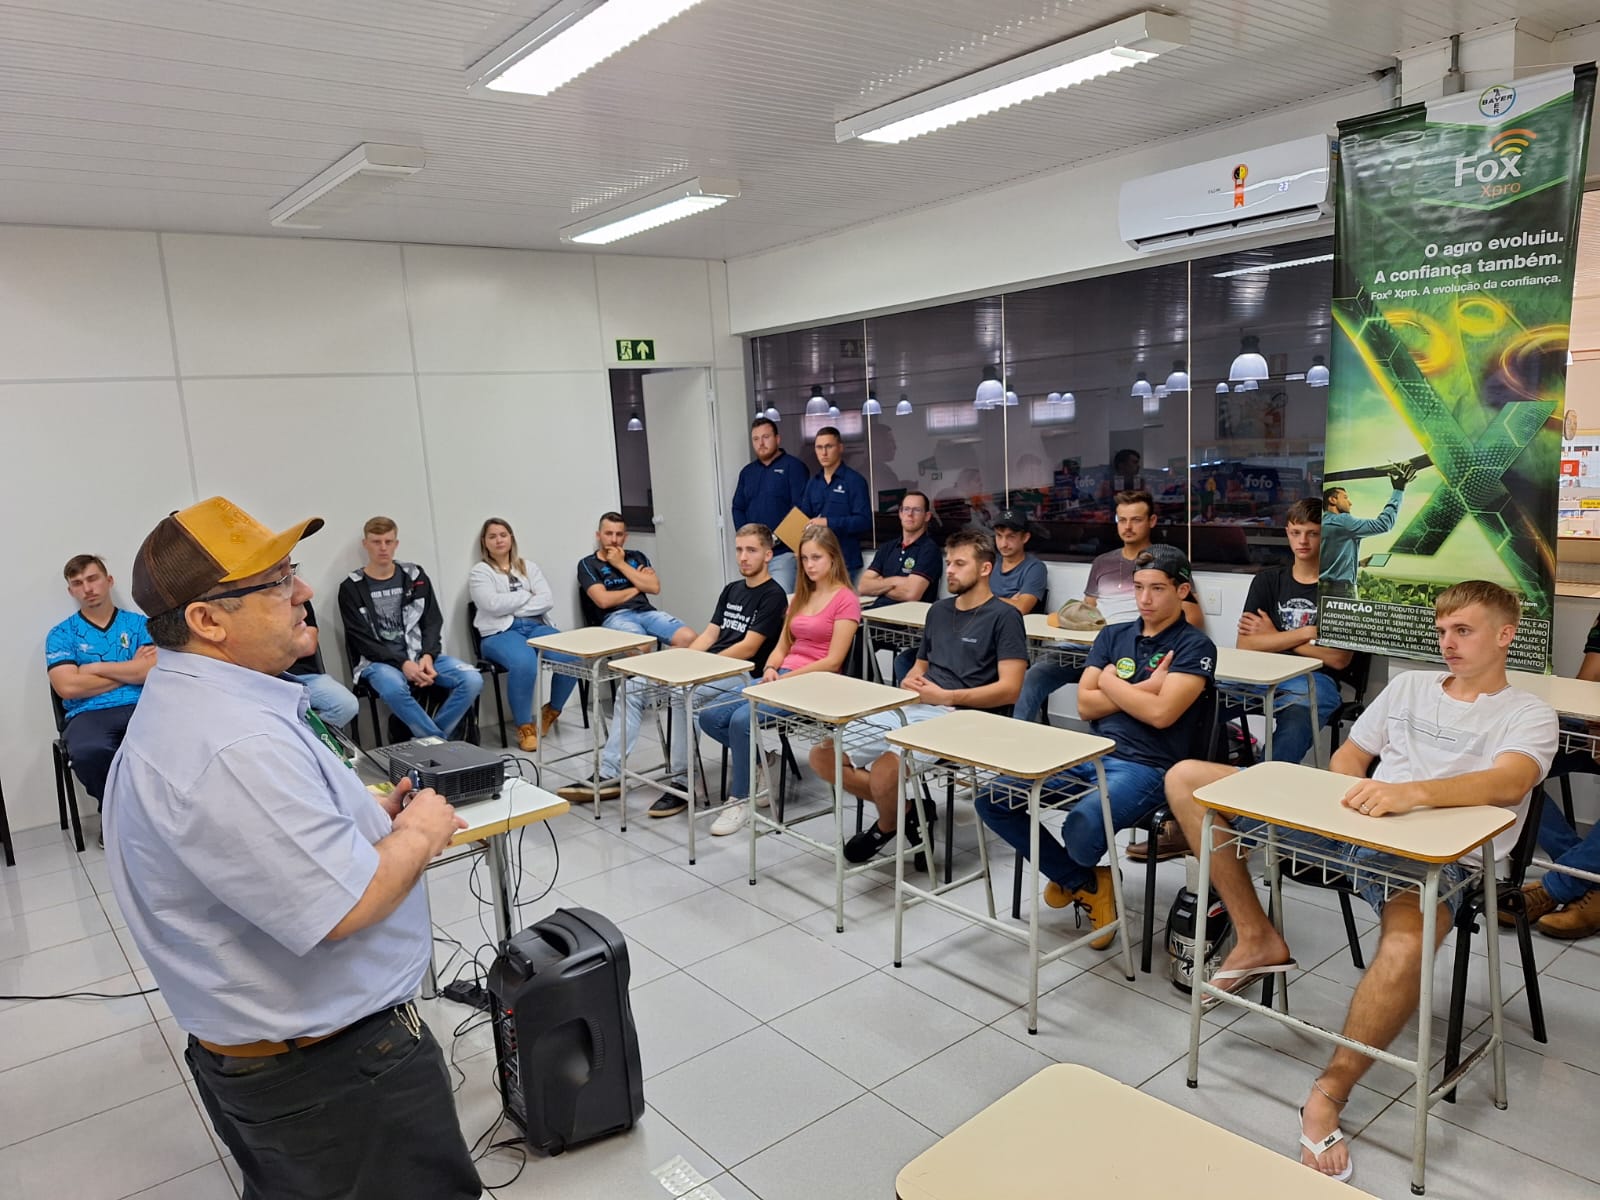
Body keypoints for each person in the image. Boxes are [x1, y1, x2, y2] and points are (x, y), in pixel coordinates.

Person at [104, 496, 481, 1200]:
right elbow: (346, 905)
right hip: (335, 1073)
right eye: (275, 583)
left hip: (290, 1062)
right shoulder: (231, 743)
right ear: (206, 620)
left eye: (292, 572)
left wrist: (366, 817)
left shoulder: (208, 708)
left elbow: (261, 845)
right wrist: (418, 832)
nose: (303, 592)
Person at [1164, 580, 1556, 1181]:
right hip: (1353, 820)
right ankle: (1256, 935)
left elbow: (1509, 782)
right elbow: (1350, 758)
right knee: (1189, 778)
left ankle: (1328, 1094)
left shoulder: (1528, 713)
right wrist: (1337, 796)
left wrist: (1408, 795)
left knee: (1406, 946)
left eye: (1463, 631)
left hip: (1434, 861)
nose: (1447, 643)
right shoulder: (1409, 686)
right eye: (1442, 629)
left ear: (1505, 636)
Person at [977, 545, 1215, 946]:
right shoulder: (1112, 634)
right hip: (1090, 753)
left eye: (1157, 588)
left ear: (1183, 590)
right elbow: (1085, 707)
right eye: (1139, 587)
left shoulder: (1194, 646)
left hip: (1151, 767)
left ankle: (1075, 877)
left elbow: (1161, 715)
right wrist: (1144, 688)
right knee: (995, 797)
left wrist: (1108, 681)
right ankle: (1086, 881)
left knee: (1082, 826)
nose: (1145, 599)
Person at [817, 527, 1027, 864]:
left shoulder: (1005, 617)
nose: (950, 571)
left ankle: (886, 826)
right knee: (824, 754)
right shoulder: (939, 611)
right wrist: (912, 681)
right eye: (949, 562)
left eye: (960, 563)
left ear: (985, 568)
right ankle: (909, 811)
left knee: (887, 770)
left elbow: (1010, 688)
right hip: (922, 703)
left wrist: (946, 696)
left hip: (963, 715)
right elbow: (921, 664)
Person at [702, 525, 860, 836]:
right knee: (708, 716)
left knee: (741, 721)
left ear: (833, 558)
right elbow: (783, 645)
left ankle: (740, 801)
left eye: (816, 557)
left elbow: (833, 661)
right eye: (804, 559)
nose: (809, 565)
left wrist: (786, 679)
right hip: (782, 676)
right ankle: (766, 764)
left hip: (816, 684)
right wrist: (773, 668)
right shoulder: (801, 596)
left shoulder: (846, 600)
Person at [642, 523, 794, 822]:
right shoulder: (731, 589)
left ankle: (684, 781)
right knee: (671, 688)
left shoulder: (772, 595)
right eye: (739, 550)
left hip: (745, 673)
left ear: (768, 555)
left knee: (686, 694)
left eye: (751, 550)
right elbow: (709, 635)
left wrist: (705, 668)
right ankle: (754, 762)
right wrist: (686, 660)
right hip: (717, 666)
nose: (743, 557)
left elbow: (750, 647)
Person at [1012, 490, 1202, 724]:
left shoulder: (1166, 561)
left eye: (1136, 519)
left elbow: (1193, 617)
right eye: (1122, 520)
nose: (1128, 526)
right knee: (1036, 673)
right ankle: (1017, 745)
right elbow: (1087, 611)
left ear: (1152, 521)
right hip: (1094, 648)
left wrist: (1157, 645)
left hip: (1139, 650)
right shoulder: (1102, 562)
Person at [1501, 608, 1600, 941]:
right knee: (1512, 760)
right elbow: (1587, 683)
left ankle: (1558, 886)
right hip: (1596, 730)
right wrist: (1595, 724)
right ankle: (1582, 873)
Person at [338, 516, 482, 742]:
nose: (383, 548)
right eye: (376, 542)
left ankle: (429, 739)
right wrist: (403, 664)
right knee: (394, 688)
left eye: (388, 541)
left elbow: (433, 621)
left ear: (396, 543)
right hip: (378, 663)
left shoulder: (415, 576)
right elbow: (361, 639)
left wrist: (427, 655)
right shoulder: (351, 587)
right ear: (365, 544)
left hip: (421, 656)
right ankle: (439, 743)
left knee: (472, 679)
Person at [1236, 497, 1354, 764]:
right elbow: (1245, 645)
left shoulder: (1341, 589)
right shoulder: (1267, 580)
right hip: (1261, 672)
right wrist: (1306, 633)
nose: (1303, 541)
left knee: (1297, 719)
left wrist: (1274, 635)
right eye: (1296, 532)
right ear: (1287, 533)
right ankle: (1206, 777)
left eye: (1313, 533)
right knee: (1202, 692)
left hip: (1314, 678)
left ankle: (1259, 786)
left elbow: (1338, 658)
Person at [46, 554, 155, 809]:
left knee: (173, 739)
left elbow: (151, 671)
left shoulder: (139, 624)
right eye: (77, 583)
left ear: (109, 581)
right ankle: (114, 813)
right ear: (71, 590)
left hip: (142, 704)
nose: (87, 588)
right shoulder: (61, 634)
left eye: (93, 579)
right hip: (88, 713)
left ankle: (156, 814)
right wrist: (130, 671)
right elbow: (67, 687)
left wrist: (94, 668)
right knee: (88, 752)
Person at [469, 517, 576, 752]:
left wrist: (513, 605)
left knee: (573, 655)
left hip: (536, 626)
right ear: (484, 542)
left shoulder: (528, 566)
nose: (498, 540)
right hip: (499, 633)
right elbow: (490, 604)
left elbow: (546, 599)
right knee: (524, 661)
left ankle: (551, 711)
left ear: (511, 538)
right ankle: (524, 726)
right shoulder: (481, 571)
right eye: (492, 536)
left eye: (503, 534)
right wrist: (527, 596)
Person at [577, 511, 696, 647]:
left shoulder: (637, 557)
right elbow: (603, 600)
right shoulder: (588, 564)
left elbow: (654, 588)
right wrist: (638, 586)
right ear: (598, 536)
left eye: (619, 534)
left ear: (625, 537)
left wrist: (620, 564)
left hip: (646, 611)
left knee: (689, 638)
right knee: (641, 645)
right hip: (615, 617)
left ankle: (663, 667)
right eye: (608, 534)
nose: (614, 540)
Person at [858, 489, 939, 682]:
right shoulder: (888, 547)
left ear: (927, 516)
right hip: (877, 615)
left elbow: (912, 593)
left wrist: (881, 583)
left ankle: (865, 689)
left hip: (907, 624)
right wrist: (895, 581)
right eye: (906, 509)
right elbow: (863, 586)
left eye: (917, 510)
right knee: (846, 631)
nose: (910, 515)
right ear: (900, 513)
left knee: (857, 635)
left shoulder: (929, 550)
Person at [731, 416, 808, 592]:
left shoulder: (794, 467)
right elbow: (738, 507)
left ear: (777, 439)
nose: (761, 443)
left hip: (783, 554)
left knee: (780, 603)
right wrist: (748, 538)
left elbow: (801, 511)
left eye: (766, 437)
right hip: (754, 555)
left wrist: (773, 539)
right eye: (756, 439)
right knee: (756, 603)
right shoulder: (747, 472)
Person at [1320, 463, 1417, 599]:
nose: (1350, 502)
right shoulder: (1343, 522)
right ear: (1332, 500)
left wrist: (1359, 563)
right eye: (1345, 497)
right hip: (1341, 591)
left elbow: (1330, 561)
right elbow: (1384, 524)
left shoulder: (1323, 523)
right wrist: (1398, 490)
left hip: (1322, 589)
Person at [800, 426, 872, 578]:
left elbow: (864, 521)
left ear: (840, 448)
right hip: (817, 562)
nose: (823, 453)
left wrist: (828, 523)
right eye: (819, 447)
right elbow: (804, 519)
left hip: (845, 562)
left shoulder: (854, 481)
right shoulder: (813, 483)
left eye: (829, 446)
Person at [283, 598, 360, 731]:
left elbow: (309, 646)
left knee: (347, 705)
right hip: (266, 678)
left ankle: (308, 742)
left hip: (306, 677)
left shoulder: (298, 599)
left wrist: (271, 647)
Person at [989, 508, 1049, 616]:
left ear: (1025, 538)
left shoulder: (1034, 568)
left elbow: (1021, 608)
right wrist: (1009, 602)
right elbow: (967, 599)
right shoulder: (990, 562)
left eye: (1011, 537)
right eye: (999, 536)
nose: (1003, 544)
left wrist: (983, 600)